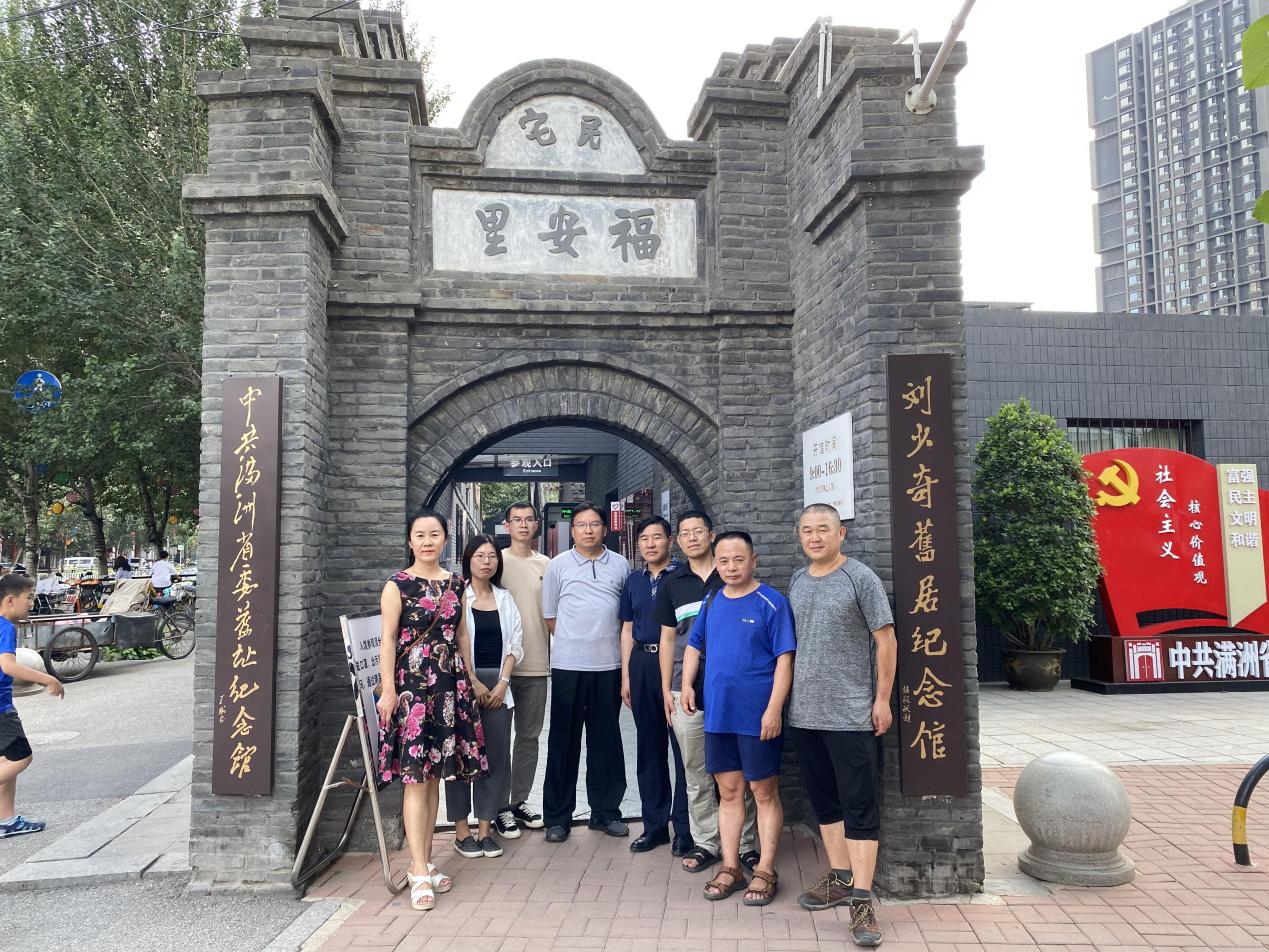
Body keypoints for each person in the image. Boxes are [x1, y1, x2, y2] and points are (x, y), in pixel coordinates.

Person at [788, 503, 895, 947]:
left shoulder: (860, 578)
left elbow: (886, 641)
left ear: (841, 534)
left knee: (859, 804)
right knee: (825, 801)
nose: (815, 537)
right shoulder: (797, 580)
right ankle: (840, 876)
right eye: (807, 530)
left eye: (823, 529)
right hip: (804, 713)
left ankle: (863, 902)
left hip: (851, 714)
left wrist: (882, 699)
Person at [375, 509, 487, 911]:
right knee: (415, 779)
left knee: (436, 775)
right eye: (420, 535)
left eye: (434, 534)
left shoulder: (457, 583)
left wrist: (469, 679)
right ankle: (419, 870)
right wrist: (389, 691)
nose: (427, 541)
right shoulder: (397, 585)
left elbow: (462, 634)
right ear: (410, 541)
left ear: (445, 539)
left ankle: (422, 861)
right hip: (412, 688)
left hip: (449, 687)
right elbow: (388, 640)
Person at [680, 531, 794, 907]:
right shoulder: (712, 600)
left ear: (754, 561)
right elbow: (694, 645)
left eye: (739, 559)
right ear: (717, 564)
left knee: (763, 792)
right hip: (719, 714)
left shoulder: (772, 602)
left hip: (757, 716)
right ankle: (731, 867)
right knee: (728, 793)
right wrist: (687, 685)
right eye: (724, 561)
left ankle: (766, 869)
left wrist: (774, 709)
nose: (731, 567)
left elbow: (785, 660)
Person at [656, 511, 758, 874]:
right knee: (696, 773)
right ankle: (707, 842)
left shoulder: (731, 574)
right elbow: (668, 639)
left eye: (698, 531)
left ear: (711, 535)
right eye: (685, 533)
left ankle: (746, 844)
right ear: (678, 541)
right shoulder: (672, 583)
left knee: (740, 773)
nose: (692, 538)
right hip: (686, 691)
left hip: (732, 691)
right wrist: (667, 688)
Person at [540, 503, 630, 842]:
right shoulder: (558, 565)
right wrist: (575, 642)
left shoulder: (620, 564)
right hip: (568, 665)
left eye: (594, 524)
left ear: (605, 529)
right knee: (563, 741)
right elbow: (550, 615)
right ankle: (557, 817)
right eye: (581, 524)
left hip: (609, 665)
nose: (588, 530)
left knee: (606, 741)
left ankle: (605, 813)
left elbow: (625, 618)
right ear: (573, 530)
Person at [447, 535, 524, 859]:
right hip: (463, 684)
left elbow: (516, 642)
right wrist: (473, 681)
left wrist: (503, 683)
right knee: (458, 757)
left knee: (494, 758)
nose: (486, 562)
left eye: (492, 556)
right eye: (479, 556)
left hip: (498, 686)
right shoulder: (455, 596)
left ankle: (485, 829)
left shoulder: (505, 598)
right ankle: (461, 832)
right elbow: (451, 642)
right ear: (468, 559)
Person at [619, 516, 690, 855]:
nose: (650, 544)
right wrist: (626, 676)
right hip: (642, 663)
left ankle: (685, 829)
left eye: (657, 537)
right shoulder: (633, 581)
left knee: (683, 748)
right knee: (650, 748)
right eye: (644, 538)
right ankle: (655, 826)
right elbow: (626, 629)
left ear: (670, 541)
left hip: (676, 665)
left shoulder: (684, 577)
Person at [498, 502, 551, 834]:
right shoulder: (494, 561)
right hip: (498, 671)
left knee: (528, 738)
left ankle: (519, 802)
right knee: (499, 740)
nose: (522, 524)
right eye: (516, 519)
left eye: (529, 519)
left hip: (535, 664)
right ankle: (498, 806)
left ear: (536, 525)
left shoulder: (547, 565)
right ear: (506, 526)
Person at [0, 573, 65, 838]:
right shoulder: (5, 627)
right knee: (21, 757)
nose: (31, 603)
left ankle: (7, 821)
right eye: (29, 598)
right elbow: (8, 666)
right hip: (1, 709)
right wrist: (48, 678)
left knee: (6, 761)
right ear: (10, 600)